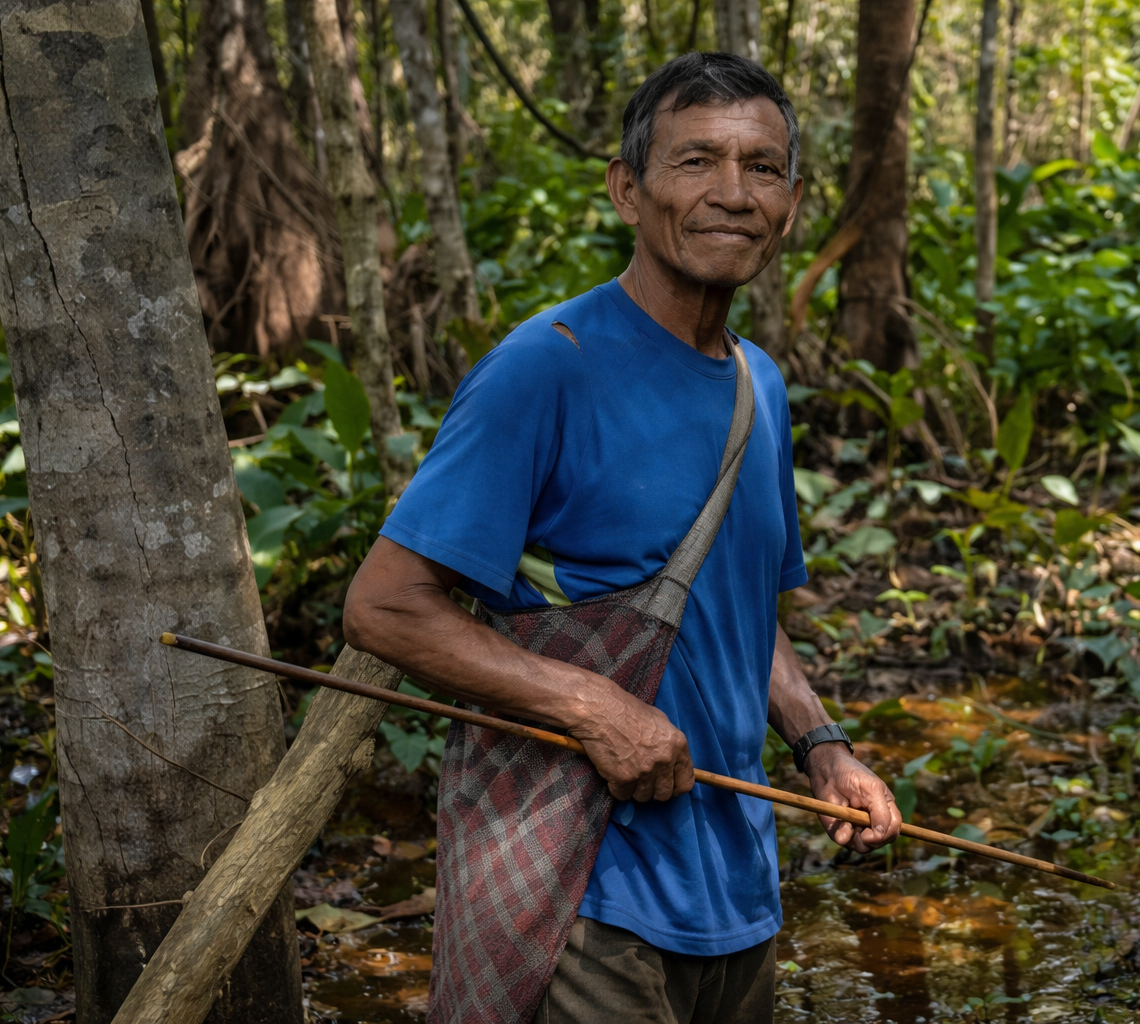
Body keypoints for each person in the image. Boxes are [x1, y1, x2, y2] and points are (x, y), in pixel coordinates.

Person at [343, 51, 902, 1024]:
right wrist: (590, 705)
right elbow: (384, 606)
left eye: (761, 167)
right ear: (627, 189)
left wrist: (822, 745)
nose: (733, 193)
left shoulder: (758, 386)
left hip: (737, 898)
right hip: (583, 896)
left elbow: (735, 612)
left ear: (793, 198)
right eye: (696, 162)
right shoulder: (544, 369)